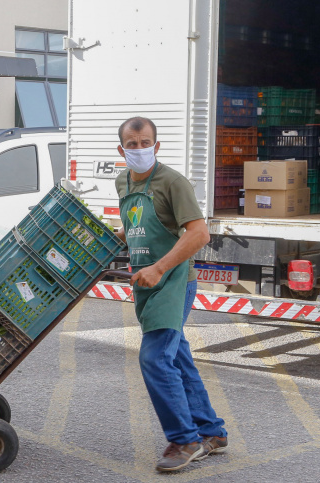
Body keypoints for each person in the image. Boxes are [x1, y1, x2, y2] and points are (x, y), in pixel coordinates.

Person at [114, 116, 227, 473]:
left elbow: (198, 234)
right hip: (145, 282)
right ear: (121, 150)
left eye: (144, 142)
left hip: (174, 281)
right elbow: (136, 223)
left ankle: (185, 440)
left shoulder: (173, 182)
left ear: (156, 146)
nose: (139, 149)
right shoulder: (122, 181)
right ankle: (211, 431)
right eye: (131, 145)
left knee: (155, 357)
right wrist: (113, 238)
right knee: (176, 355)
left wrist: (160, 268)